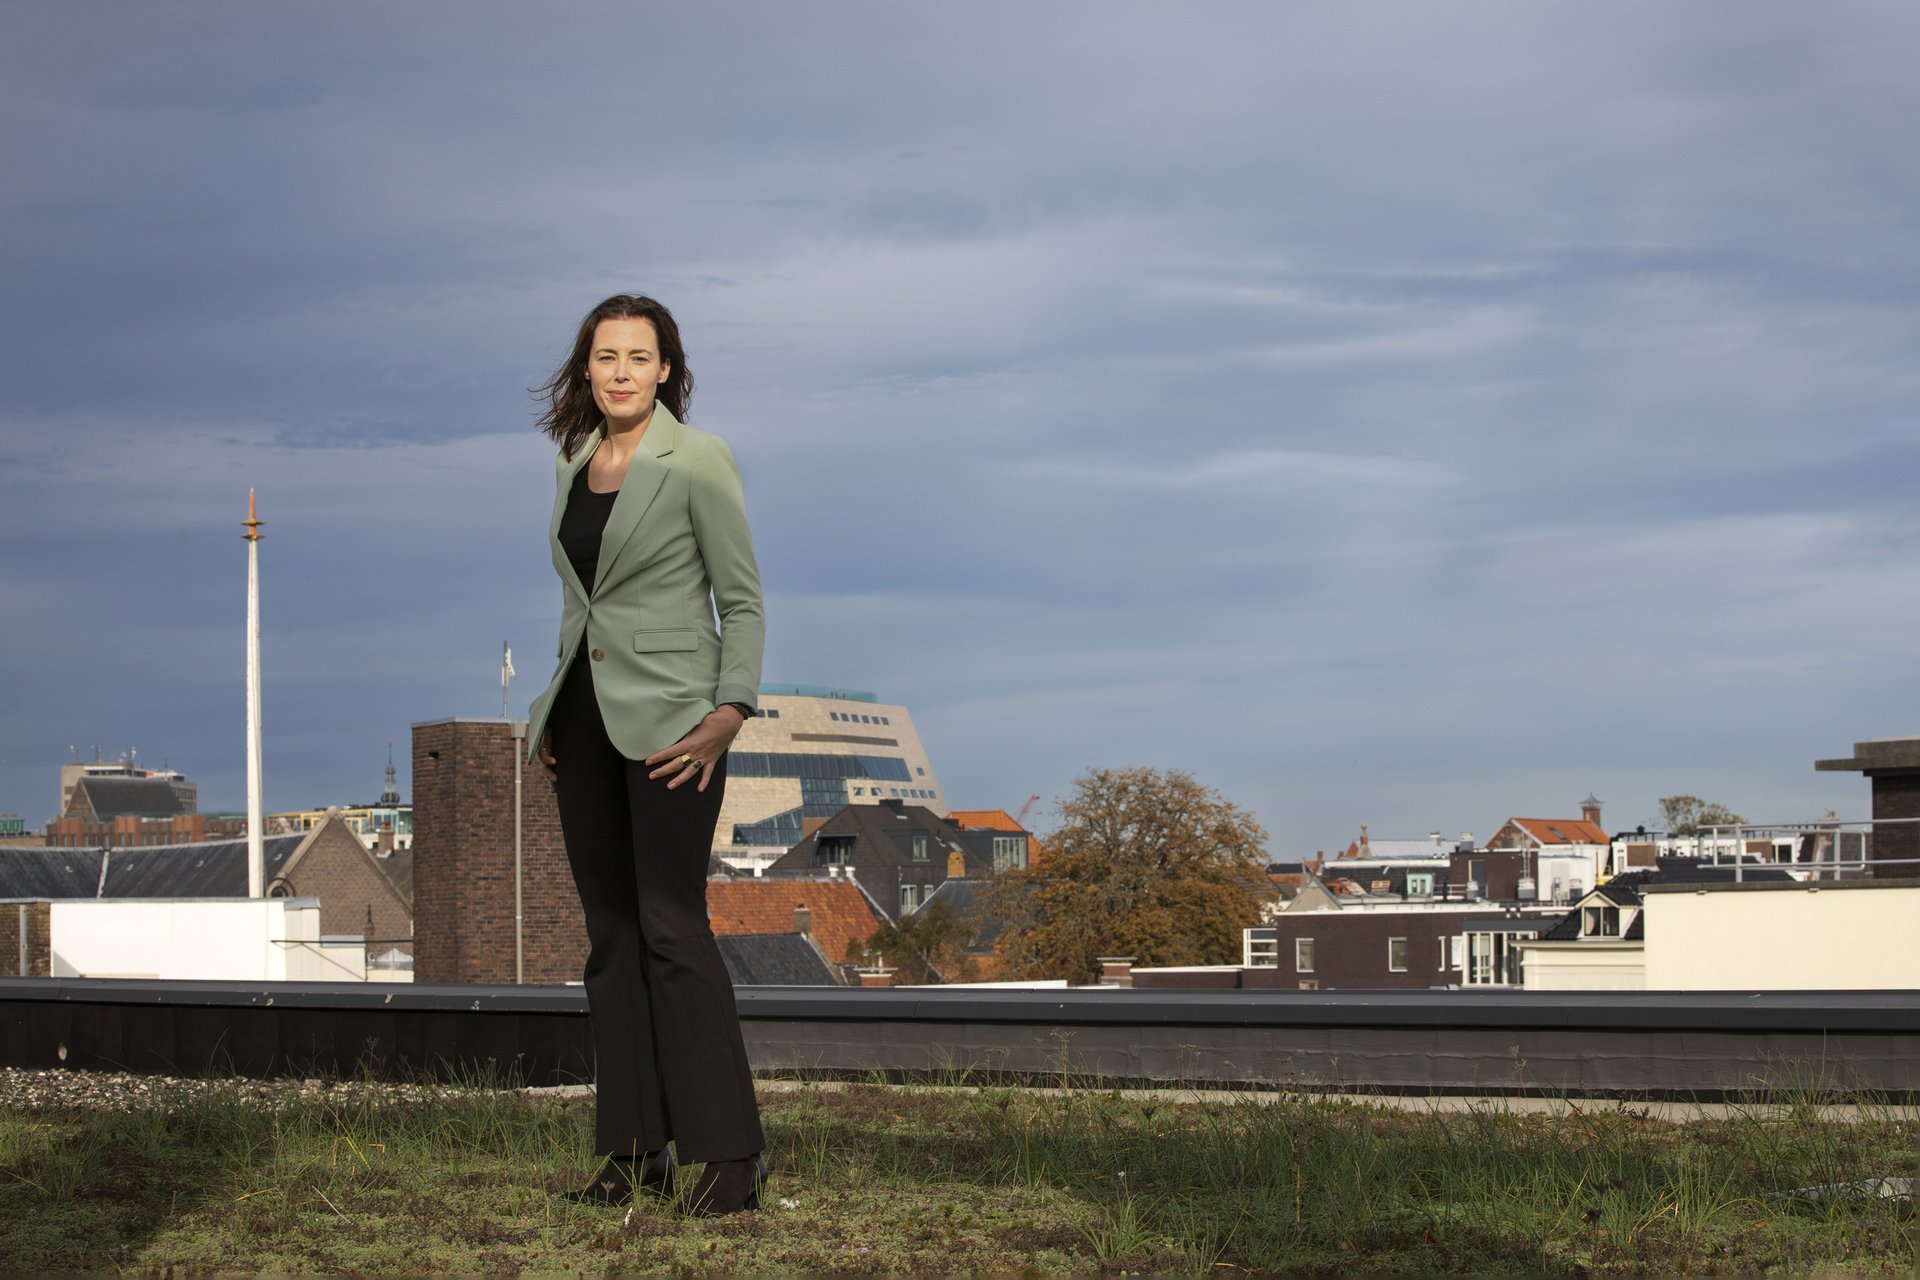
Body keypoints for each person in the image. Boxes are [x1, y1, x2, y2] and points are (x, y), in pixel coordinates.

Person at [523, 294, 769, 1215]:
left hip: (674, 723)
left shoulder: (697, 460)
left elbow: (740, 599)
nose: (621, 371)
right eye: (605, 357)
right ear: (585, 369)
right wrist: (550, 713)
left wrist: (730, 710)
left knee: (671, 926)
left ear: (667, 368)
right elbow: (581, 605)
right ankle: (634, 1154)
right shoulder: (573, 462)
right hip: (582, 723)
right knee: (610, 940)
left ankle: (730, 1158)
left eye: (639, 356)